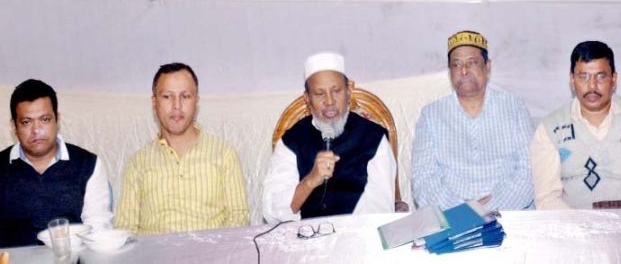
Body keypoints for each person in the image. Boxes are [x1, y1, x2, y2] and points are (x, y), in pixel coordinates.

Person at [115, 63, 249, 235]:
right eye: (167, 97)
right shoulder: (138, 163)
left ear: (196, 101)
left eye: (185, 96)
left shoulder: (223, 154)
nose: (176, 105)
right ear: (154, 103)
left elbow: (239, 218)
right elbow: (126, 230)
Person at [262, 52, 395, 223]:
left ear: (348, 92)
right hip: (303, 239)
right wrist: (310, 181)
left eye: (336, 91)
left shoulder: (374, 138)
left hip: (356, 238)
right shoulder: (291, 142)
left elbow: (380, 210)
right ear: (307, 99)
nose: (330, 101)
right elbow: (272, 213)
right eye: (319, 94)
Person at [412, 30, 534, 211]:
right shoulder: (431, 115)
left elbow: (529, 170)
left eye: (472, 63)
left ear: (488, 67)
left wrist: (490, 209)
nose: (464, 71)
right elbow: (423, 179)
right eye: (456, 64)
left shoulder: (513, 106)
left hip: (510, 214)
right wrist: (462, 212)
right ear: (449, 71)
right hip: (451, 219)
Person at [530, 41, 621, 210]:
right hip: (575, 228)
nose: (592, 86)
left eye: (601, 76)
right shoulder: (551, 129)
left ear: (614, 79)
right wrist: (580, 229)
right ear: (572, 80)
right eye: (583, 77)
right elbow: (547, 198)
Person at [0, 79, 112, 246]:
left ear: (57, 119)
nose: (36, 130)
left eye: (44, 119)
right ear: (14, 126)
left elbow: (99, 233)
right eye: (26, 122)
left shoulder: (88, 165)